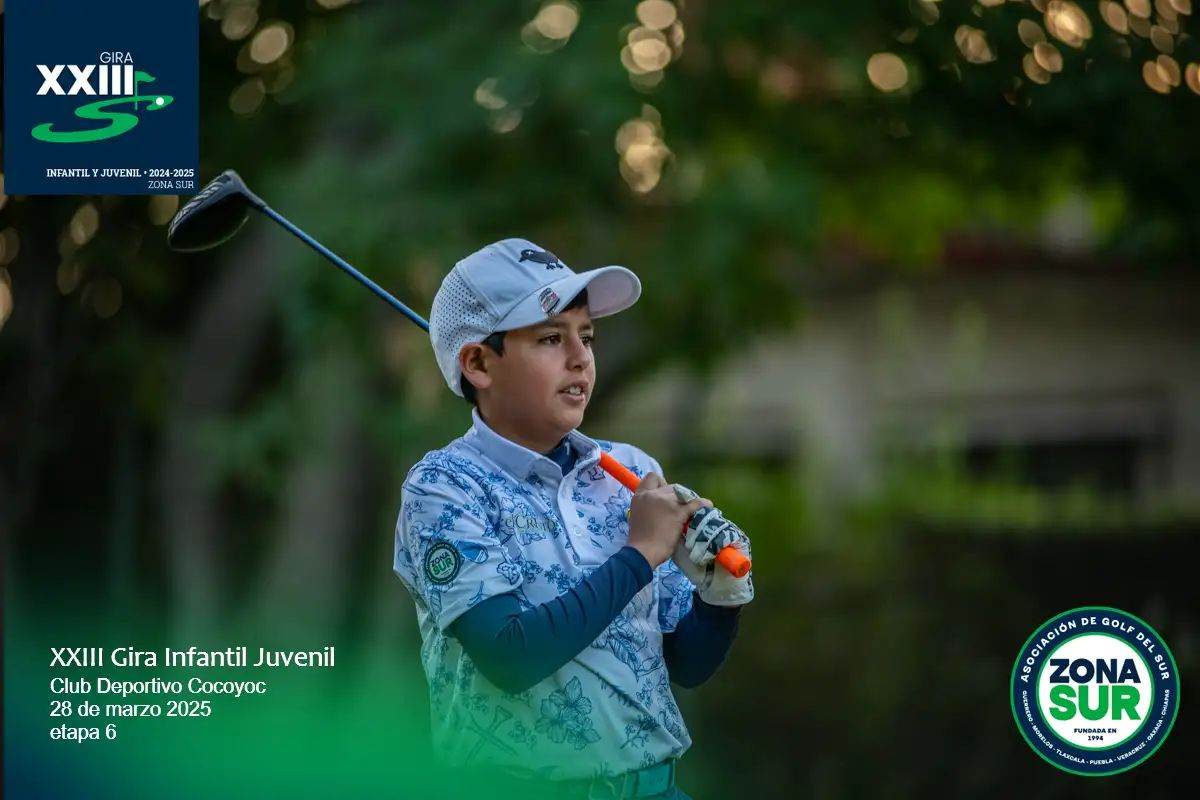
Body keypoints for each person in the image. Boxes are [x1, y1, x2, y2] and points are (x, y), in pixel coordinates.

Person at [392, 239, 754, 800]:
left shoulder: (632, 472)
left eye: (586, 336)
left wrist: (719, 596)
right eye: (549, 338)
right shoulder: (444, 486)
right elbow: (511, 654)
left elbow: (685, 663)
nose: (580, 357)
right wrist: (641, 553)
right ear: (479, 364)